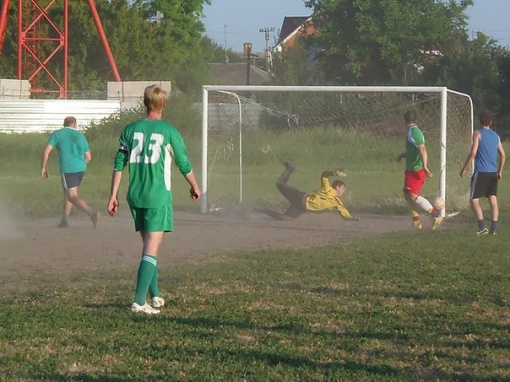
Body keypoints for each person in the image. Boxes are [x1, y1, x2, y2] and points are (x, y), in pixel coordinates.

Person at [107, 84, 201, 315]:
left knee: (149, 246)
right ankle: (139, 302)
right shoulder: (169, 132)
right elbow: (183, 164)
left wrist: (113, 195)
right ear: (164, 104)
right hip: (157, 195)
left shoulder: (130, 129)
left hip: (135, 195)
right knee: (152, 246)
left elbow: (119, 163)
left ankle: (155, 294)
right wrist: (195, 186)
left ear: (144, 103)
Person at [41, 116, 99, 228]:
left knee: (72, 196)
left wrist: (43, 168)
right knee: (68, 193)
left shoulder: (57, 134)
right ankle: (65, 220)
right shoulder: (80, 136)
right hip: (81, 168)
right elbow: (89, 157)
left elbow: (46, 152)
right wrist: (81, 164)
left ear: (64, 124)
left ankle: (92, 213)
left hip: (68, 169)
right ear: (75, 124)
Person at [255, 162, 360, 221]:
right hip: (300, 197)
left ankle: (262, 209)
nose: (343, 192)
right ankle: (290, 168)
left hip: (302, 208)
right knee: (279, 184)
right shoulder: (327, 188)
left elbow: (346, 215)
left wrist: (354, 218)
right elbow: (324, 175)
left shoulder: (337, 202)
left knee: (284, 218)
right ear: (338, 187)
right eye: (343, 189)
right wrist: (333, 173)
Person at [460, 111, 506, 235]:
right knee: (493, 199)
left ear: (480, 122)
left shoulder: (477, 133)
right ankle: (494, 229)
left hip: (481, 172)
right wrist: (500, 171)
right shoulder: (496, 136)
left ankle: (481, 227)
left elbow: (473, 152)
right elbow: (503, 155)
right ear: (490, 122)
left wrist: (464, 168)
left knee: (474, 199)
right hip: (493, 173)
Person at [396, 110, 442, 230]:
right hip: (411, 169)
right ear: (415, 120)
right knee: (407, 195)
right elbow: (414, 150)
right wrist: (403, 155)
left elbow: (422, 149)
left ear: (405, 121)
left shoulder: (414, 133)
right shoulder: (412, 132)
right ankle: (416, 222)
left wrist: (425, 166)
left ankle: (436, 215)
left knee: (412, 196)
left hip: (416, 170)